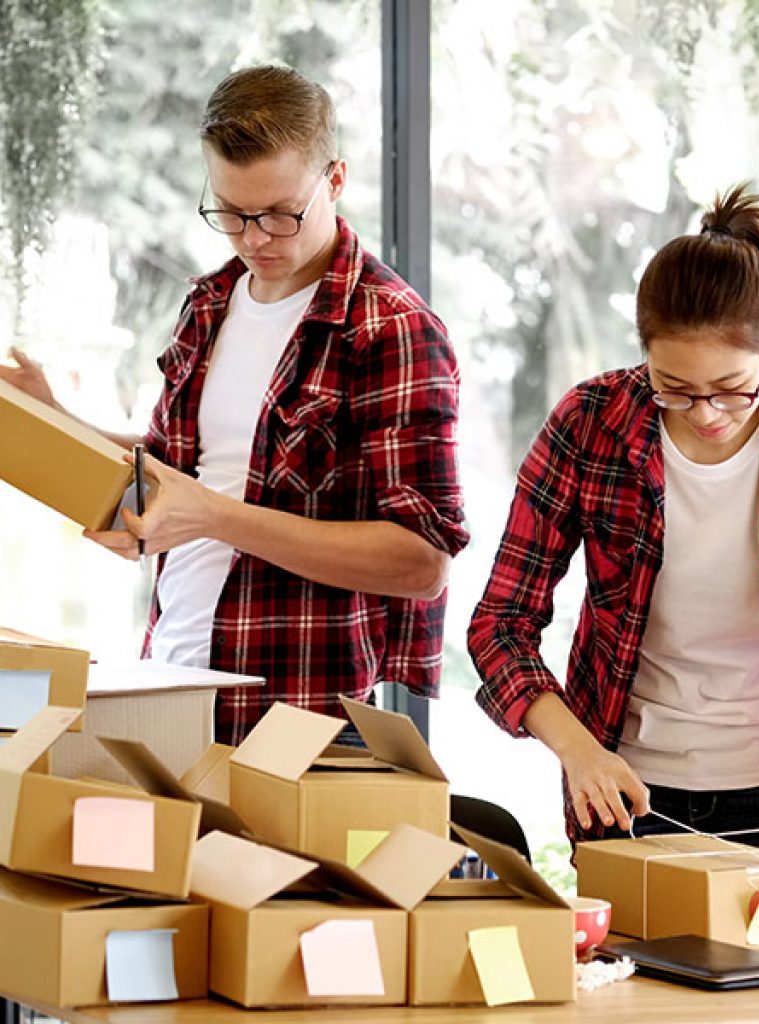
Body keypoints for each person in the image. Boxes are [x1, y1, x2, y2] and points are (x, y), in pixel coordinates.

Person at [1, 64, 468, 743]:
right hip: (168, 679)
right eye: (231, 213)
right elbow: (185, 470)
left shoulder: (388, 326)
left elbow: (422, 563)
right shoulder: (211, 302)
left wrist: (216, 518)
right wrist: (58, 421)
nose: (255, 239)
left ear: (334, 181)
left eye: (281, 213)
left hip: (300, 717)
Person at [467, 183, 759, 896]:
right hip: (625, 792)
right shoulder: (589, 425)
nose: (706, 414)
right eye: (674, 387)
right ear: (643, 355)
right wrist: (578, 753)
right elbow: (500, 627)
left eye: (734, 389)